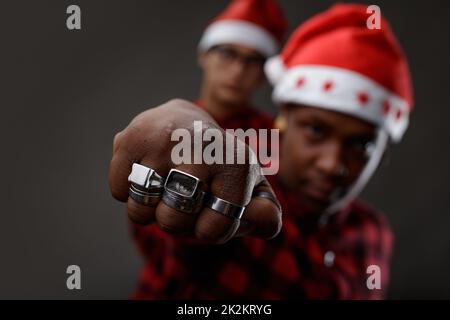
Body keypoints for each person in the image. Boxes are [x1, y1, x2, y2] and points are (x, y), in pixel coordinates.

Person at [109, 4, 413, 299]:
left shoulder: (373, 235)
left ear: (384, 153)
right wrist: (178, 136)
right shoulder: (245, 178)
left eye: (362, 145)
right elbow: (171, 238)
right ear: (281, 121)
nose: (332, 165)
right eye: (316, 130)